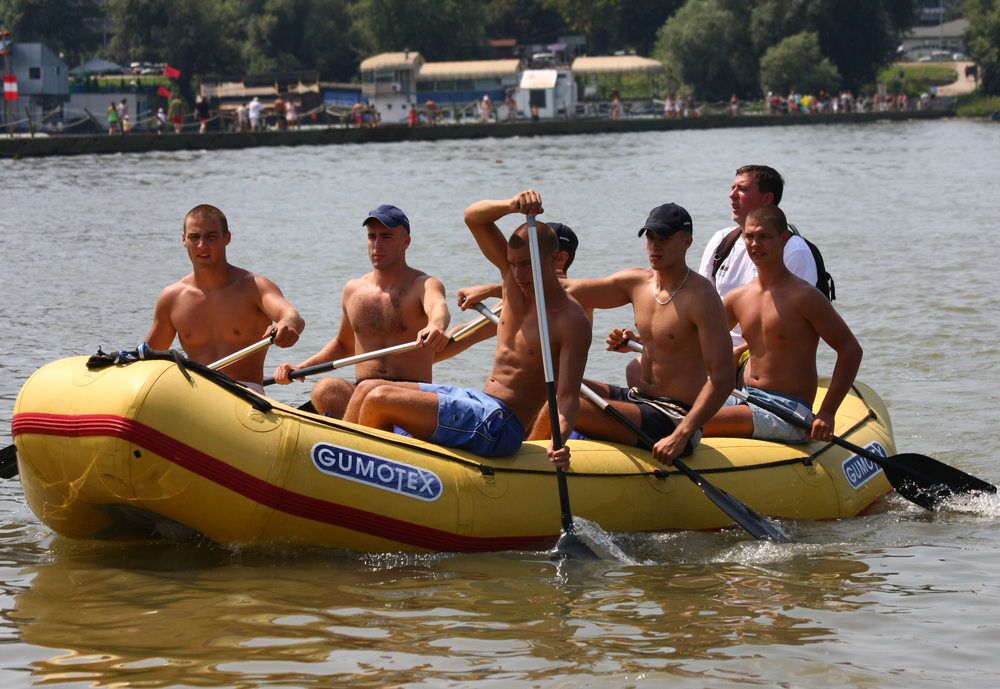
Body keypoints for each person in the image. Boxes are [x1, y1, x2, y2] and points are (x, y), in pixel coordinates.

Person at [349, 191, 591, 466]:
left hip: (501, 425)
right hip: (480, 400)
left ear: (555, 258)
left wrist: (558, 441)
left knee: (380, 398)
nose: (518, 275)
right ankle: (343, 465)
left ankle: (365, 474)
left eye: (526, 265)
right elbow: (473, 218)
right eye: (512, 264)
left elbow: (569, 397)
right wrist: (512, 205)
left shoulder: (571, 321)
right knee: (367, 388)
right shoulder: (513, 286)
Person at [528, 203, 734, 466]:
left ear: (687, 242)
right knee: (557, 387)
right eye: (650, 237)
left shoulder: (702, 297)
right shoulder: (637, 283)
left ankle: (527, 467)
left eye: (665, 238)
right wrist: (492, 290)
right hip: (638, 398)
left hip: (674, 418)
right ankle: (528, 451)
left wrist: (682, 434)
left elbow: (724, 377)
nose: (655, 245)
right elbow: (565, 287)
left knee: (568, 406)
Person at [272, 205, 451, 419]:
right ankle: (354, 440)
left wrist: (435, 326)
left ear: (406, 242)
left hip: (410, 394)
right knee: (325, 389)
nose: (377, 245)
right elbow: (343, 345)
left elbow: (438, 307)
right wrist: (302, 367)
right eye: (372, 237)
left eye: (386, 237)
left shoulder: (423, 284)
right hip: (363, 392)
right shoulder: (353, 290)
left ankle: (353, 437)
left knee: (374, 394)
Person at [703, 205, 862, 444]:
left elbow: (851, 350)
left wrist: (828, 412)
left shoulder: (804, 296)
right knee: (672, 409)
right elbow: (695, 339)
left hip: (787, 410)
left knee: (692, 422)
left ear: (784, 239)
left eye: (765, 236)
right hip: (743, 396)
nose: (756, 244)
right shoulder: (738, 298)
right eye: (750, 236)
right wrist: (639, 340)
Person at [144, 204, 305, 393]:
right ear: (184, 240)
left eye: (211, 237)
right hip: (195, 395)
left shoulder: (254, 286)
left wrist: (286, 324)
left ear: (226, 238)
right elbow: (146, 362)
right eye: (194, 237)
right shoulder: (171, 298)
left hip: (246, 394)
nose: (202, 245)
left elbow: (292, 316)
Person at [697, 165, 817, 350]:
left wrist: (736, 354)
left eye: (743, 189)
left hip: (765, 355)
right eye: (733, 188)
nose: (732, 195)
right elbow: (701, 309)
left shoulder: (794, 250)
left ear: (767, 199)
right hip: (717, 350)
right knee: (636, 369)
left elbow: (794, 326)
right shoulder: (722, 240)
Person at [437, 222, 590, 363]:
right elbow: (467, 333)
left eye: (528, 257)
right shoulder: (521, 297)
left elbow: (555, 290)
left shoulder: (579, 299)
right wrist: (421, 361)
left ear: (558, 257)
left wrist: (489, 290)